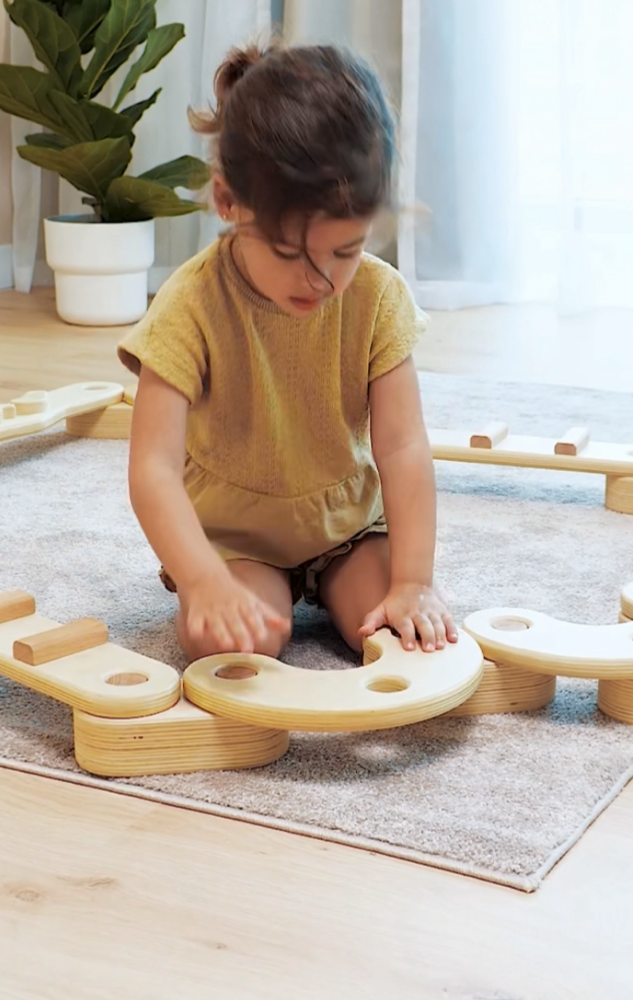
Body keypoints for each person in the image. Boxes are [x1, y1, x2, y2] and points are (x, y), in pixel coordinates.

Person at [118, 42, 457, 662]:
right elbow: (152, 470)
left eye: (346, 251)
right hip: (233, 537)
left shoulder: (379, 296)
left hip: (348, 527)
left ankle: (356, 582)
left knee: (399, 633)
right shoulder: (189, 304)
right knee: (239, 644)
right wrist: (203, 582)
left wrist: (414, 581)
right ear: (228, 202)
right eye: (290, 253)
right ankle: (232, 590)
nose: (323, 280)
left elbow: (403, 446)